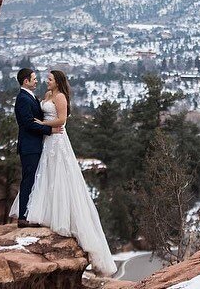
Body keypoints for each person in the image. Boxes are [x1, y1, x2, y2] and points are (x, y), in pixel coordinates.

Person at [10, 70, 117, 276]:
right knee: (42, 177)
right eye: (37, 79)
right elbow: (30, 120)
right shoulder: (42, 96)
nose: (42, 81)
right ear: (26, 81)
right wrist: (45, 128)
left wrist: (45, 126)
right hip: (44, 141)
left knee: (56, 177)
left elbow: (61, 120)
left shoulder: (59, 97)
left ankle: (55, 215)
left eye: (48, 79)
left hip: (56, 140)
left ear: (57, 81)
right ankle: (34, 214)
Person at [12, 68, 63, 229]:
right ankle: (23, 218)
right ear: (26, 81)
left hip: (36, 144)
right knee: (29, 179)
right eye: (34, 79)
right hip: (29, 146)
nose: (37, 81)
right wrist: (50, 130)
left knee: (36, 179)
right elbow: (28, 123)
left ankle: (31, 213)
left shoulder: (30, 96)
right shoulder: (23, 99)